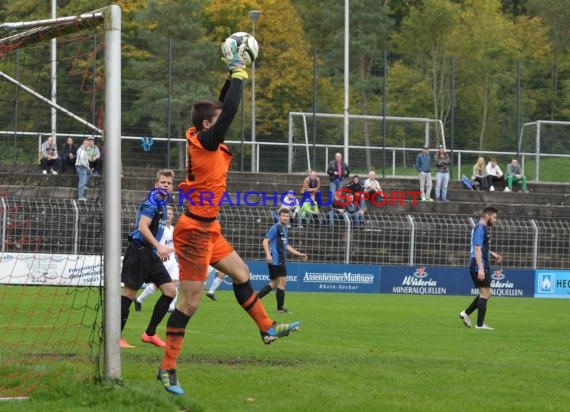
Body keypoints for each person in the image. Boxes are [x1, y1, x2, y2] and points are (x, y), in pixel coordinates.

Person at [157, 39, 301, 395]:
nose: (224, 123)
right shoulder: (205, 142)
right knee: (189, 302)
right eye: (217, 121)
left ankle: (267, 328)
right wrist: (239, 72)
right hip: (193, 233)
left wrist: (232, 74)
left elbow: (224, 106)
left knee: (240, 273)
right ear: (208, 124)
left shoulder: (202, 136)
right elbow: (230, 109)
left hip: (210, 228)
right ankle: (167, 368)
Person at [120, 169, 178, 349]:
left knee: (170, 291)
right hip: (138, 252)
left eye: (168, 183)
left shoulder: (162, 205)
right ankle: (115, 337)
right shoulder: (152, 202)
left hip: (150, 253)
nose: (166, 185)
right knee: (130, 294)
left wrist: (161, 248)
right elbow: (143, 227)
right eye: (163, 182)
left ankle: (150, 333)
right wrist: (159, 246)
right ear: (156, 185)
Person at [459, 206, 502, 330]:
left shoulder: (480, 228)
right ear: (487, 216)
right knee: (485, 293)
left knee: (488, 292)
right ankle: (480, 324)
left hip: (480, 262)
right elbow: (477, 249)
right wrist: (481, 268)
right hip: (479, 264)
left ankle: (465, 313)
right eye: (494, 217)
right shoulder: (480, 228)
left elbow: (479, 247)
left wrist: (491, 253)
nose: (495, 220)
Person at [258, 207, 308, 313]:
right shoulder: (276, 227)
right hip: (276, 259)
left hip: (279, 259)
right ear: (279, 216)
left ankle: (255, 299)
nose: (285, 218)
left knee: (274, 283)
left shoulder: (284, 229)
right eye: (283, 216)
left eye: (287, 216)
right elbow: (265, 241)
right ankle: (279, 308)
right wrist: (268, 255)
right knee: (282, 281)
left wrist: (299, 254)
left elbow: (286, 245)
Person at [135, 205, 179, 313]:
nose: (168, 216)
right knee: (156, 285)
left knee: (174, 284)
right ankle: (139, 300)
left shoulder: (174, 229)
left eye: (170, 214)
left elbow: (175, 243)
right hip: (162, 258)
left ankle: (171, 307)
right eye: (167, 214)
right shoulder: (161, 229)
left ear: (173, 216)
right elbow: (157, 242)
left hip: (172, 259)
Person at [75, 137, 94, 201]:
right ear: (83, 143)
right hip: (81, 167)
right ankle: (80, 197)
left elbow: (86, 160)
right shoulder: (81, 150)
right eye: (85, 144)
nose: (87, 145)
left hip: (84, 167)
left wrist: (88, 167)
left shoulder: (84, 150)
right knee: (81, 182)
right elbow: (82, 161)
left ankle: (85, 185)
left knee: (90, 172)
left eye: (88, 144)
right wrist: (87, 167)